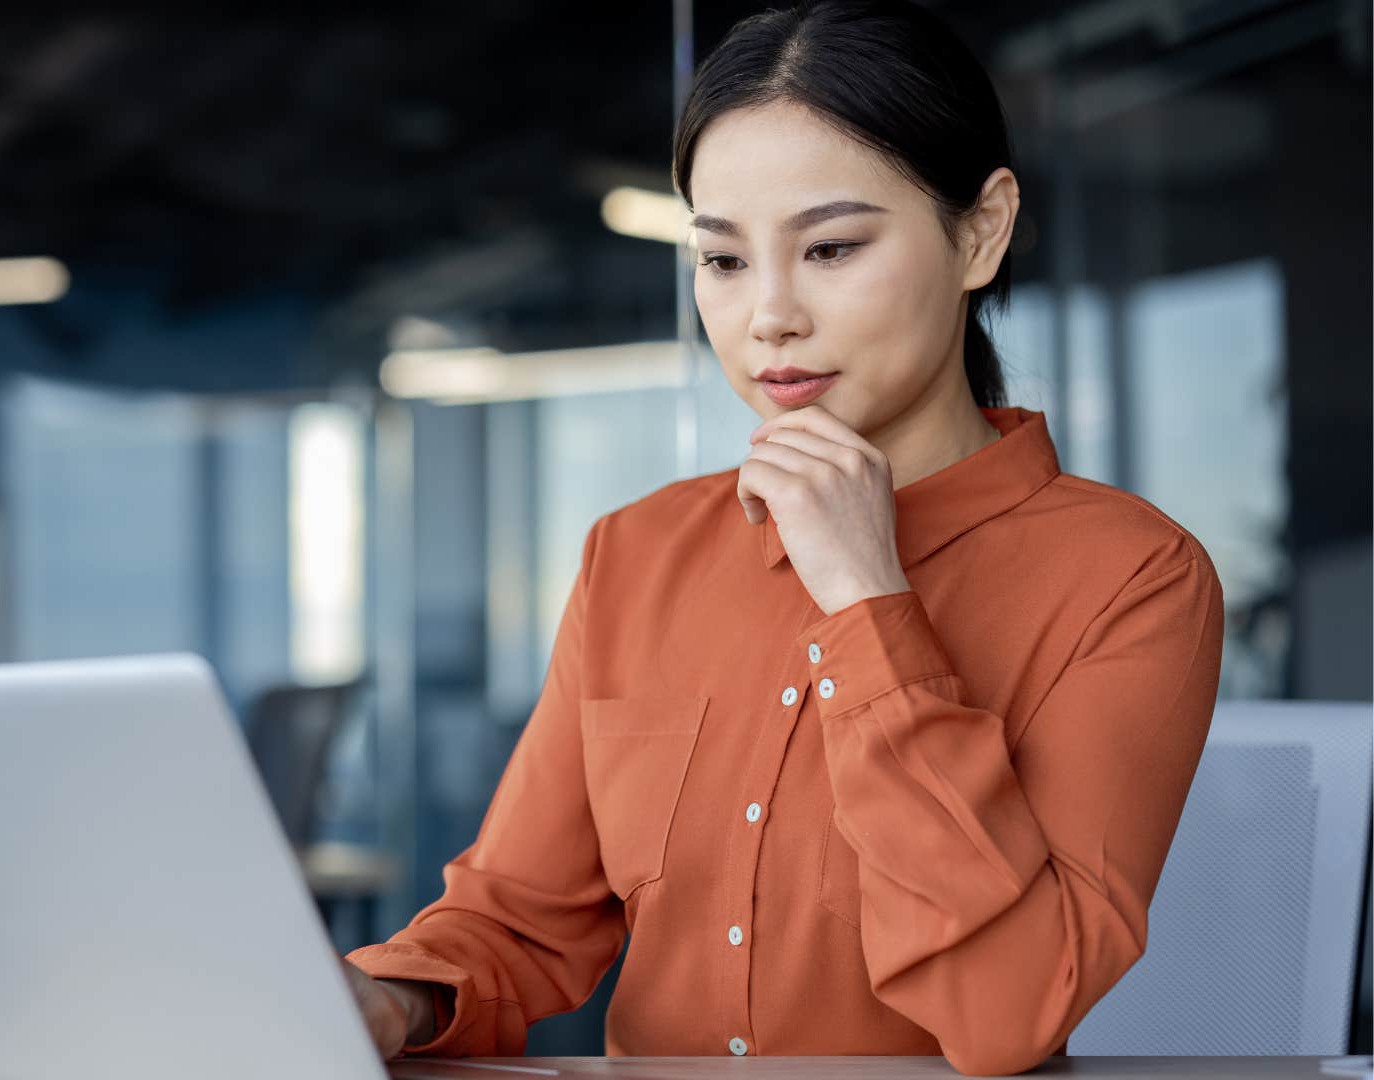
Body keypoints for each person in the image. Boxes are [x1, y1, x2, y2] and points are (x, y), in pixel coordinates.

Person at [339, 0, 1225, 1075]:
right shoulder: (637, 553)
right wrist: (384, 1001)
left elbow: (1009, 1014)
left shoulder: (1129, 578)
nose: (769, 316)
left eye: (832, 247)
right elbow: (517, 924)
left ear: (980, 232)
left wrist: (868, 603)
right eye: (722, 260)